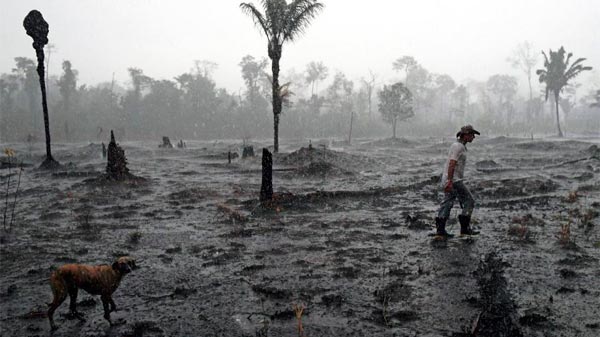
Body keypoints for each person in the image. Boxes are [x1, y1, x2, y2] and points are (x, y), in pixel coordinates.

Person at [434, 125, 480, 237]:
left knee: (448, 202)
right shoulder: (458, 147)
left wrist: (448, 180)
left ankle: (440, 230)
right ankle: (464, 229)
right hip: (454, 180)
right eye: (472, 135)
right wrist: (450, 181)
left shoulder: (459, 146)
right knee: (469, 201)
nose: (474, 137)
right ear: (466, 135)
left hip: (451, 179)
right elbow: (452, 163)